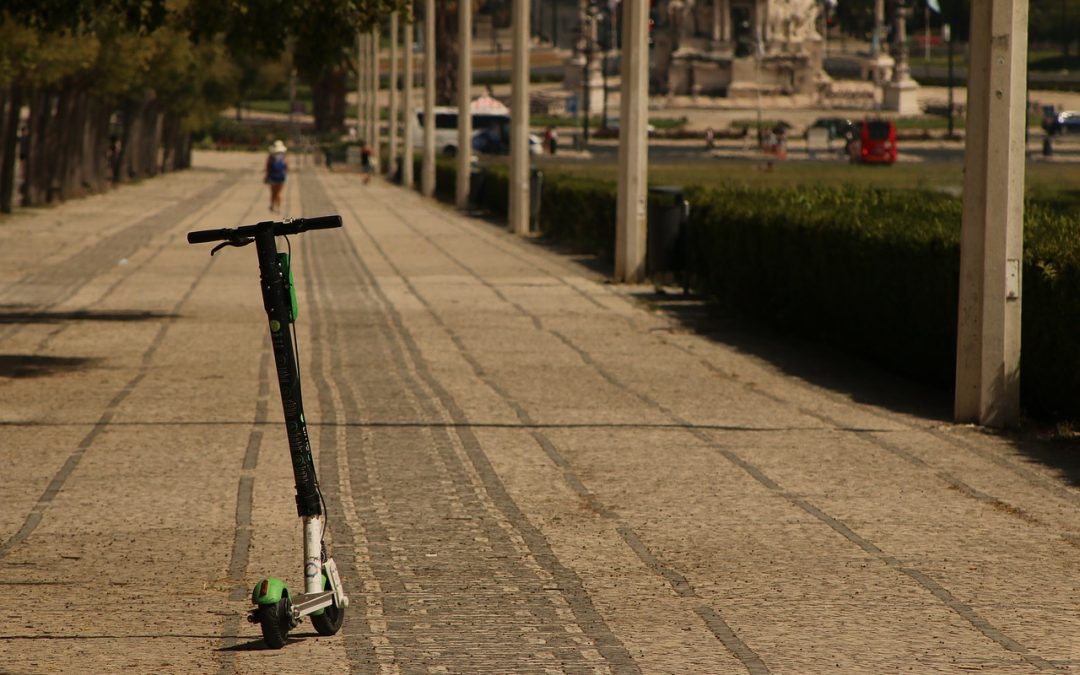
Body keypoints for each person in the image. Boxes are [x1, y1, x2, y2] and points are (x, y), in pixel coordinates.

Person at [265, 139, 287, 212]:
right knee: (279, 193)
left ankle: (272, 205)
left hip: (273, 177)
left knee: (273, 192)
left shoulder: (271, 157)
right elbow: (286, 167)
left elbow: (267, 168)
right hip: (281, 177)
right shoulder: (283, 157)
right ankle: (278, 207)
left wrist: (267, 176)